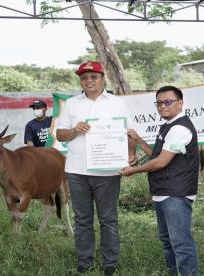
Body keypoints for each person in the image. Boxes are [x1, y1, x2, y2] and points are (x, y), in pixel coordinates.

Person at [56, 61, 136, 276]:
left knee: (108, 218)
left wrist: (131, 154)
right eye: (84, 77)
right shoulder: (71, 104)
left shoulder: (117, 103)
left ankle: (110, 262)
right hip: (77, 170)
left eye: (93, 76)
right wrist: (75, 129)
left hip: (107, 171)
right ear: (80, 81)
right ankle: (85, 261)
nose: (88, 81)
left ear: (103, 79)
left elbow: (129, 132)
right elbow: (60, 135)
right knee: (82, 219)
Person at [121, 85, 200, 276]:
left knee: (180, 242)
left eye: (168, 102)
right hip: (164, 193)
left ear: (180, 103)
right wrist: (138, 140)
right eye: (159, 103)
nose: (162, 106)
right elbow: (157, 155)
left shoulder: (180, 128)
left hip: (176, 194)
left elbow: (160, 162)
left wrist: (134, 170)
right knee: (167, 241)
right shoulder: (168, 125)